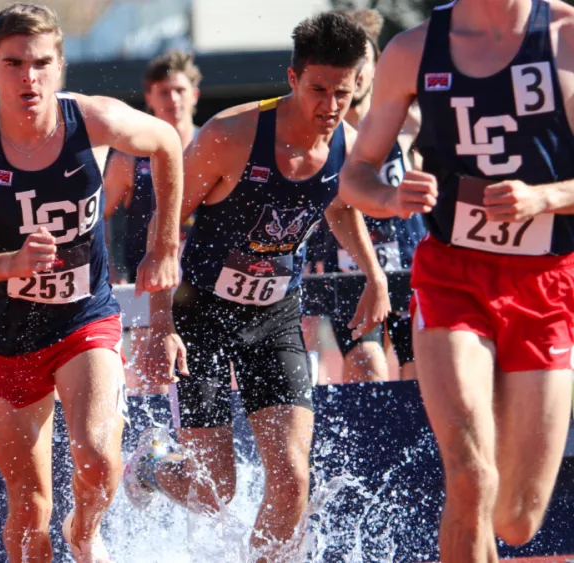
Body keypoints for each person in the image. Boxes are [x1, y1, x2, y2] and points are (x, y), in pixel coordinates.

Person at [123, 13, 390, 559]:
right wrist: (160, 323)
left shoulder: (348, 144)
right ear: (292, 80)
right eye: (318, 90)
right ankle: (150, 465)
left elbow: (340, 205)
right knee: (215, 490)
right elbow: (165, 227)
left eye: (343, 92)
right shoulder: (231, 134)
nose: (329, 106)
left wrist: (374, 274)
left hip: (274, 318)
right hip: (199, 314)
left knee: (293, 476)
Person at [0, 4, 184, 562]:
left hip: (83, 318)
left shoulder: (92, 121)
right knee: (28, 508)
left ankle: (85, 534)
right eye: (14, 63)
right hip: (8, 333)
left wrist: (164, 246)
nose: (30, 77)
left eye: (42, 63)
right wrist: (9, 264)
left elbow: (166, 142)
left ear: (61, 67)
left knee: (98, 460)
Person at [339, 0, 574, 559]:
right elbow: (355, 175)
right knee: (470, 475)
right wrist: (391, 198)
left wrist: (545, 197)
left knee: (517, 518)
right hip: (452, 277)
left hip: (547, 285)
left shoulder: (565, 36)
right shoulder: (414, 50)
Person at [306, 9, 427, 383]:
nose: (354, 76)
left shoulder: (409, 120)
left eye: (361, 64)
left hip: (408, 266)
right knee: (367, 367)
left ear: (375, 66)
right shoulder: (322, 131)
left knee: (418, 373)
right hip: (349, 269)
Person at [103, 49, 201, 396]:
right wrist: (109, 268)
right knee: (156, 376)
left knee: (202, 377)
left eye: (179, 90)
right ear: (150, 98)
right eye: (163, 91)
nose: (172, 99)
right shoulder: (131, 156)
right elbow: (97, 213)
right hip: (149, 284)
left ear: (194, 94)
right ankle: (153, 447)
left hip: (202, 283)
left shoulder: (214, 147)